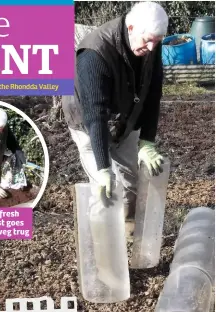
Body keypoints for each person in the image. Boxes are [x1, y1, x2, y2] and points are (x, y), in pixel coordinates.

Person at [62, 1, 169, 235]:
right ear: (131, 28)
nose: (152, 47)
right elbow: (95, 114)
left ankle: (127, 230)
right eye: (147, 40)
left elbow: (153, 91)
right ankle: (105, 244)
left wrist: (147, 142)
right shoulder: (94, 53)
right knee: (105, 189)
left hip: (124, 116)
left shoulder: (151, 40)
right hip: (88, 120)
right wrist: (103, 168)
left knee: (131, 180)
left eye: (157, 41)